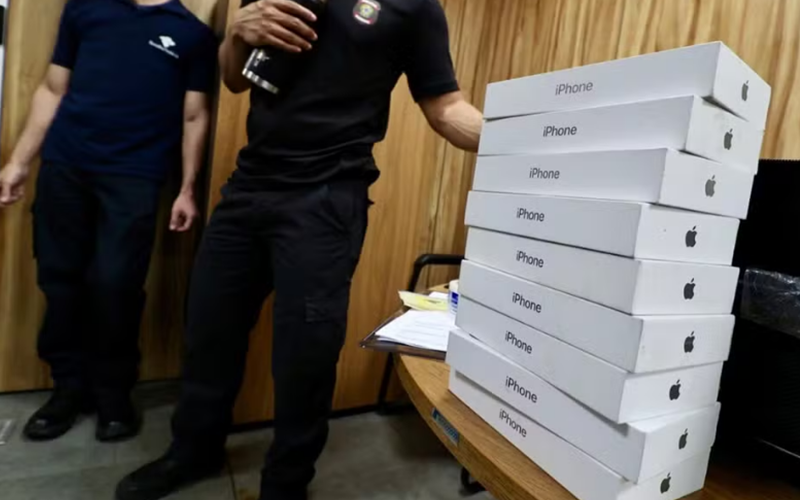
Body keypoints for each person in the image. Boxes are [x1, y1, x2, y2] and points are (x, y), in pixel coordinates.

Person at [117, 0, 482, 498]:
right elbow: (234, 79)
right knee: (208, 330)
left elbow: (447, 109)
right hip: (248, 187)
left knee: (305, 358)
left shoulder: (414, 7)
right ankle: (193, 451)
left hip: (327, 200)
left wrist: (530, 139)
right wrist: (237, 33)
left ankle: (287, 483)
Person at [0, 0, 216, 442]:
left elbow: (194, 114)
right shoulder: (85, 9)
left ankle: (112, 392)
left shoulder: (191, 33)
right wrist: (18, 162)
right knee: (60, 281)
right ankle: (68, 388)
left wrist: (187, 188)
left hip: (135, 177)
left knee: (116, 286)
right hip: (66, 167)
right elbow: (52, 89)